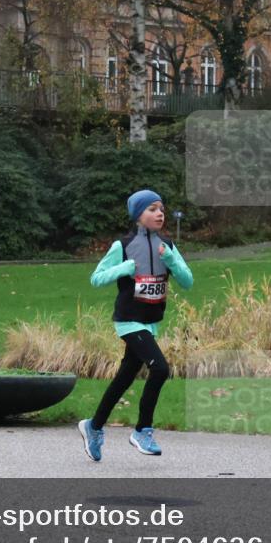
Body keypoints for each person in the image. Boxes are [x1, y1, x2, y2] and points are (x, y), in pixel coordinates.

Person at [78, 189, 194, 461]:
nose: (159, 213)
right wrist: (124, 268)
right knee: (160, 368)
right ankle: (143, 430)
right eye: (152, 209)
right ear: (138, 215)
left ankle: (93, 426)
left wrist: (171, 261)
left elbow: (187, 281)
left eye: (161, 209)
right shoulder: (123, 245)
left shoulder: (167, 245)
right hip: (129, 320)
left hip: (151, 323)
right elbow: (96, 278)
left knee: (125, 377)